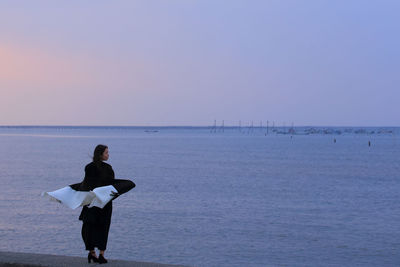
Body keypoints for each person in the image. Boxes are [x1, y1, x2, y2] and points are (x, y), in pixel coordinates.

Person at [72, 144, 135, 264]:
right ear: (100, 154)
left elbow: (86, 184)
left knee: (89, 227)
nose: (108, 154)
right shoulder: (103, 168)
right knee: (102, 227)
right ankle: (99, 254)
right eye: (106, 152)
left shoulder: (90, 167)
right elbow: (110, 186)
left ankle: (94, 253)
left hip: (92, 201)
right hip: (103, 202)